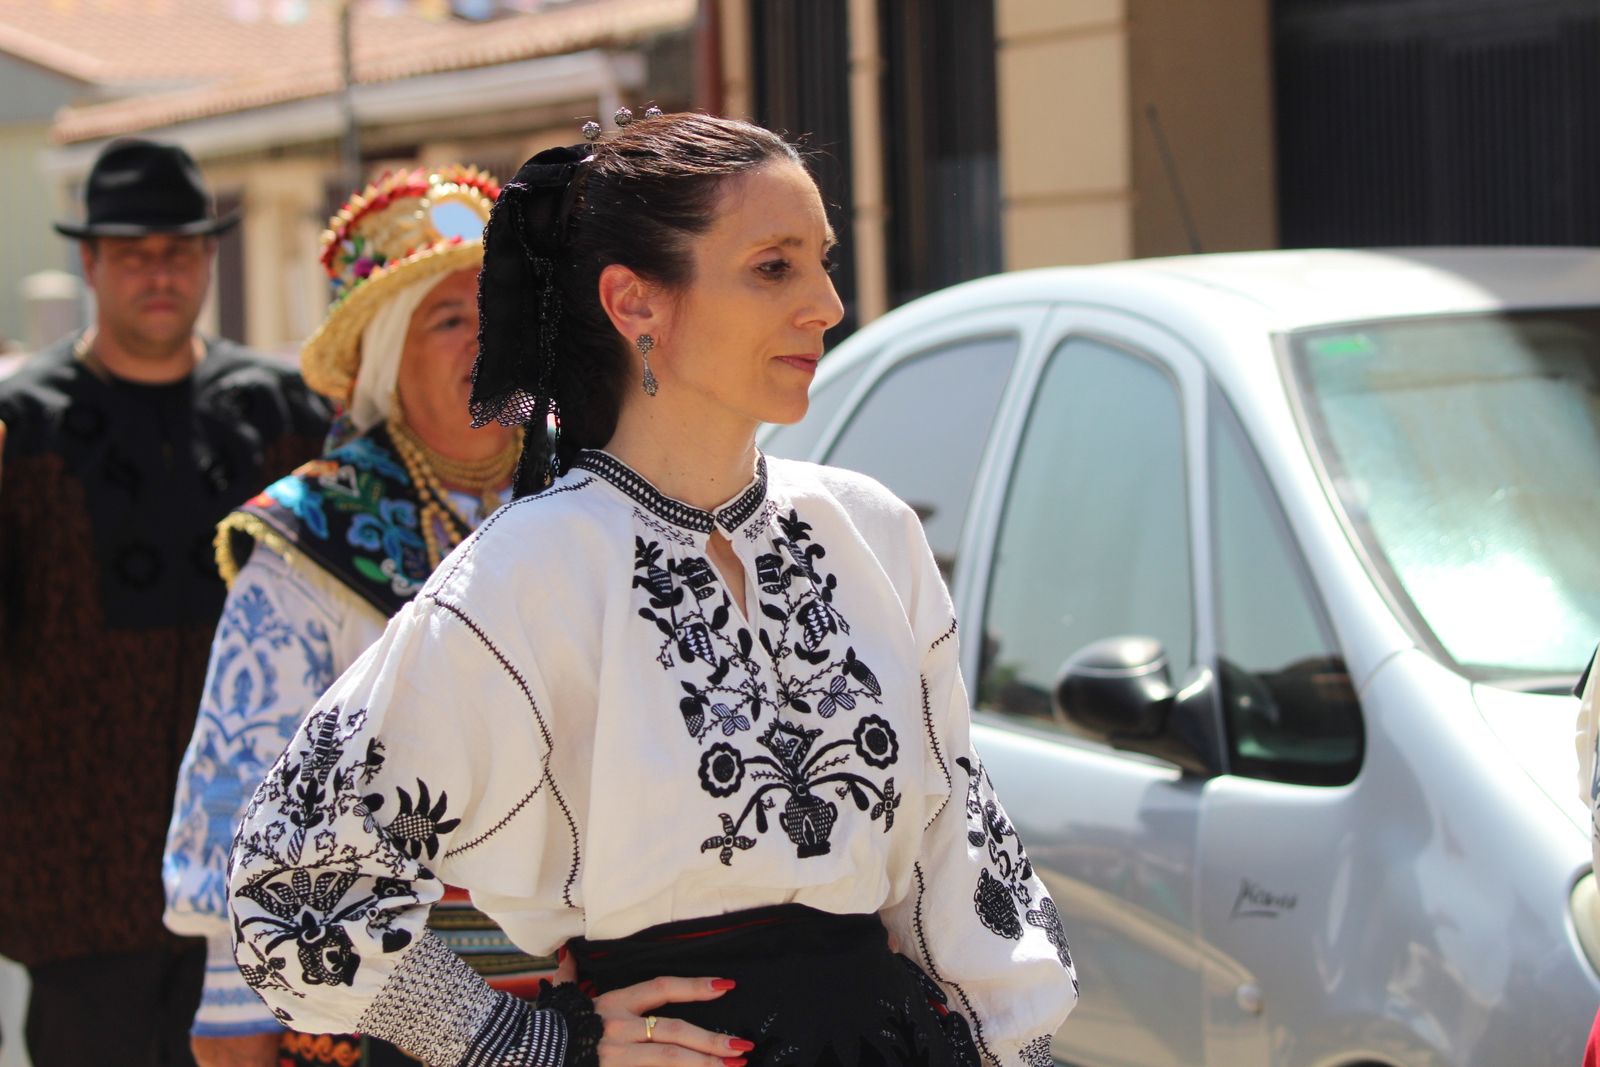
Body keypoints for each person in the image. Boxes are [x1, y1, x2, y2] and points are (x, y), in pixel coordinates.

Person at [228, 111, 1079, 1067]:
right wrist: (527, 1045)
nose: (828, 303)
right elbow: (292, 882)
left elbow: (956, 858)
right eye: (774, 267)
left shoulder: (871, 530)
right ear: (636, 303)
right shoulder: (528, 572)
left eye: (823, 262)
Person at [162, 165, 558, 1067]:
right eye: (450, 319)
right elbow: (243, 811)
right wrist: (234, 1026)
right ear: (386, 356)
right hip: (378, 1004)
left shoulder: (593, 497)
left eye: (500, 314)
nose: (485, 342)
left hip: (600, 995)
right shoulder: (309, 544)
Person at [0, 138, 329, 1067]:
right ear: (90, 262)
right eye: (133, 252)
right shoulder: (21, 429)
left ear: (209, 259)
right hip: (74, 883)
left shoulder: (285, 415)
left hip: (259, 882)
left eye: (180, 249)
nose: (159, 271)